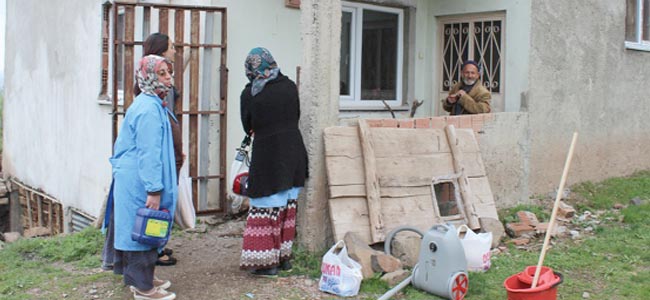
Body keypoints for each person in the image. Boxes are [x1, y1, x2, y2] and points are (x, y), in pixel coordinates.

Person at [102, 33, 180, 269]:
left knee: (146, 230)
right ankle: (143, 286)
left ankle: (144, 279)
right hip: (141, 178)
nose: (170, 79)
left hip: (143, 176)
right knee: (141, 231)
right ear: (149, 77)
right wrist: (154, 188)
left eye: (169, 73)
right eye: (163, 74)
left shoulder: (154, 102)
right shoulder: (148, 109)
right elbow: (148, 151)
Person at [239, 47, 309, 277]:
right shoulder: (289, 86)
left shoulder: (250, 93)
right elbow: (296, 114)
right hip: (293, 152)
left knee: (265, 205)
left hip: (268, 154)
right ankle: (283, 258)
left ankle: (266, 263)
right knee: (286, 206)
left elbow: (248, 125)